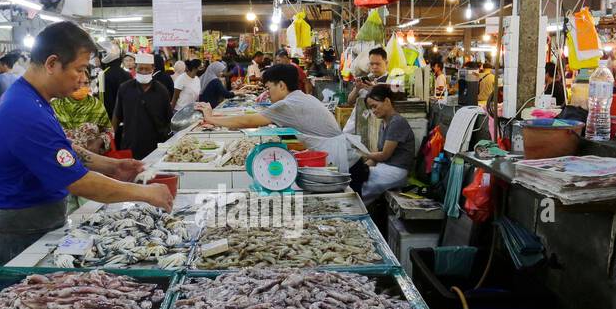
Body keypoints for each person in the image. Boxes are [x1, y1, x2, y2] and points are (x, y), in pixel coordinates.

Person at [0, 22, 172, 289]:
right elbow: (78, 182)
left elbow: (63, 150)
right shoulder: (25, 111)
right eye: (79, 69)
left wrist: (112, 165)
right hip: (9, 236)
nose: (81, 78)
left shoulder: (33, 99)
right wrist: (145, 193)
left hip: (29, 225)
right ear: (52, 63)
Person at [197, 63, 350, 173]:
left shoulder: (288, 104)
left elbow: (247, 121)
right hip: (336, 152)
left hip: (338, 158)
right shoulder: (299, 97)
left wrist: (211, 119)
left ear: (282, 85)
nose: (268, 93)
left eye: (269, 88)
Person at [357, 85, 415, 203]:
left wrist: (362, 153)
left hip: (396, 171)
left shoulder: (397, 122)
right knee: (356, 174)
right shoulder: (384, 123)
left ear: (387, 101)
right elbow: (376, 158)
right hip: (384, 168)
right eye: (370, 108)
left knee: (357, 186)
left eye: (375, 106)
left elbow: (384, 155)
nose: (373, 111)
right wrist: (363, 167)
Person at [113, 52, 172, 161]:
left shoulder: (161, 90)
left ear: (153, 68)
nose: (144, 72)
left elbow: (168, 118)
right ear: (135, 68)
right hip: (131, 141)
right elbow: (117, 115)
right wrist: (111, 138)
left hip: (155, 143)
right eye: (140, 69)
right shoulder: (125, 88)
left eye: (147, 69)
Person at [52, 85, 113, 155]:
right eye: (78, 82)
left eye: (85, 83)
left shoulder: (96, 105)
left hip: (92, 160)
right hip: (63, 158)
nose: (81, 87)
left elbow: (109, 131)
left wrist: (99, 141)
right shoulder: (54, 106)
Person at [101, 42, 129, 119]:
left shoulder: (104, 75)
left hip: (111, 115)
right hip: (126, 114)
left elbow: (105, 99)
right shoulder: (127, 74)